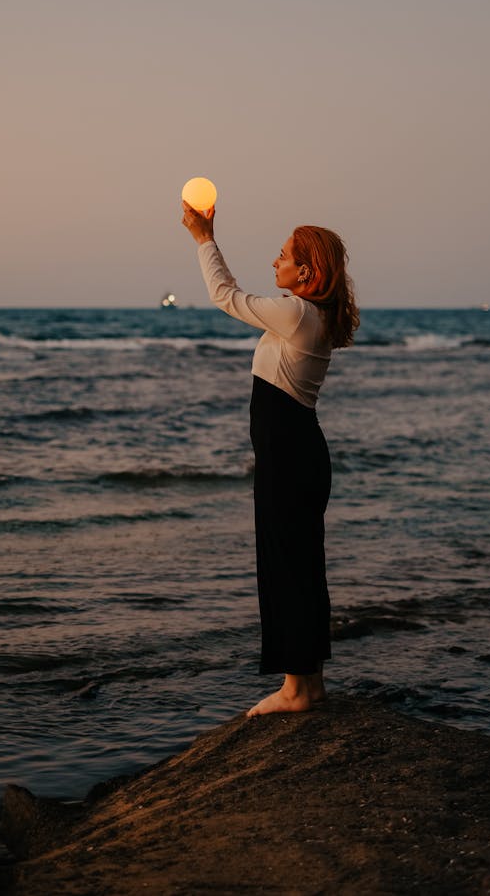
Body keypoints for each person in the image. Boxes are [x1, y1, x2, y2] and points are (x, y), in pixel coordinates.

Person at [182, 199, 359, 716]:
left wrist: (203, 238)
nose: (274, 263)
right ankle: (310, 683)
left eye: (282, 256)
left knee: (286, 567)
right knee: (300, 567)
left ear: (305, 271)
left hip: (290, 458)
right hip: (297, 454)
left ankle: (296, 690)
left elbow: (224, 295)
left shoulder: (298, 313)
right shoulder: (308, 316)